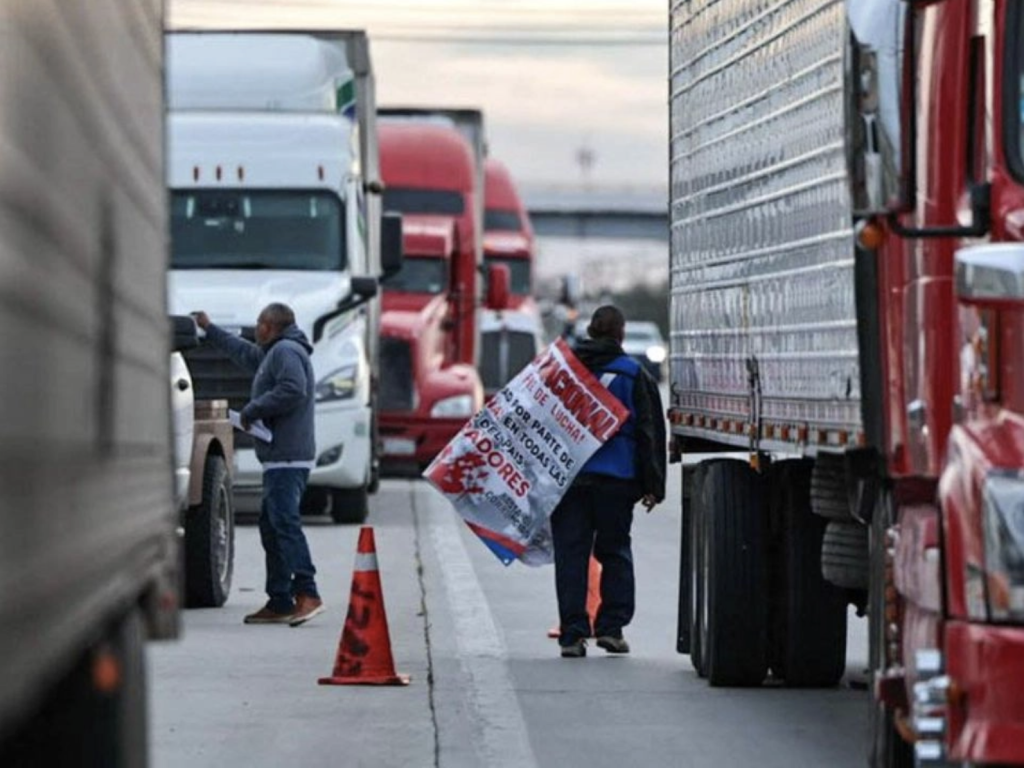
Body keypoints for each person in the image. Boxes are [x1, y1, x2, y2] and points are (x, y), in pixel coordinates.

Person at [192, 304, 324, 627]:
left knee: (285, 524)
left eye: (259, 324)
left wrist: (253, 409)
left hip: (288, 456)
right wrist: (210, 329)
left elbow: (294, 389)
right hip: (279, 456)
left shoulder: (286, 352)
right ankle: (279, 600)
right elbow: (241, 352)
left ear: (271, 325)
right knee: (272, 526)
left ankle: (307, 593)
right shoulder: (271, 353)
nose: (255, 329)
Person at [552, 305, 666, 658]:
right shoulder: (634, 375)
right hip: (616, 480)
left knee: (571, 554)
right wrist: (653, 485)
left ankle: (572, 635)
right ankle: (611, 629)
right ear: (620, 334)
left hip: (569, 478)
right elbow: (649, 433)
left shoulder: (563, 370)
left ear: (589, 331)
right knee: (614, 551)